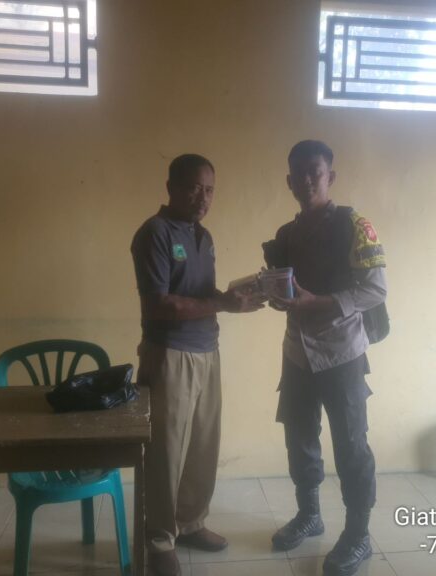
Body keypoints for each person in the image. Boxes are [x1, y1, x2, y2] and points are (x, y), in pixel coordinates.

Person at [131, 153, 265, 576]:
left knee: (202, 448)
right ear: (171, 187)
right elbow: (158, 305)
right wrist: (222, 304)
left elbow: (203, 295)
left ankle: (189, 523)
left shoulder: (203, 237)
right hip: (169, 355)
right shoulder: (154, 233)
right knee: (165, 453)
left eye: (209, 190)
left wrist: (238, 296)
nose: (202, 198)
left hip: (208, 351)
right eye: (193, 188)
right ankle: (159, 541)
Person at [263, 140, 387, 576]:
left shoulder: (355, 225)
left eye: (314, 171)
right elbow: (287, 291)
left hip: (342, 352)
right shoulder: (285, 235)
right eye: (298, 173)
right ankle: (310, 514)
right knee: (299, 436)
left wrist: (321, 303)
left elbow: (376, 289)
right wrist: (273, 295)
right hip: (296, 352)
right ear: (289, 181)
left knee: (351, 445)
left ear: (329, 176)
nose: (307, 180)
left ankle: (358, 534)